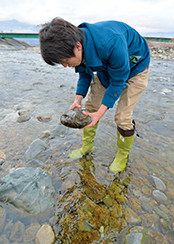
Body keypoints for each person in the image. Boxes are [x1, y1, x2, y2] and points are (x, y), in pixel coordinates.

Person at [39, 17, 150, 173]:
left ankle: (122, 155)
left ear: (78, 47)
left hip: (136, 66)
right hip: (109, 65)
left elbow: (118, 82)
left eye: (64, 60)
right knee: (90, 106)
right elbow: (85, 73)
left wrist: (100, 113)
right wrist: (78, 98)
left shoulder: (111, 43)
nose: (65, 65)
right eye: (60, 62)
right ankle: (87, 146)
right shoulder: (77, 43)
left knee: (122, 117)